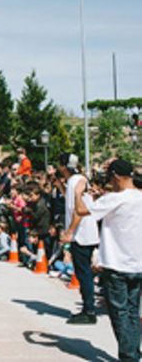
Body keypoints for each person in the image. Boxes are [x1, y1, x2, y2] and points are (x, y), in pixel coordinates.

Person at [72, 159, 142, 361]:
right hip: (137, 262)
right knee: (131, 311)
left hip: (116, 262)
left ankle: (129, 355)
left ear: (117, 176)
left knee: (119, 312)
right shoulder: (138, 197)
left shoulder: (114, 199)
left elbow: (81, 211)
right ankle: (133, 350)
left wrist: (78, 193)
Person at [59, 153, 99, 325]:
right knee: (83, 273)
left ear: (62, 166)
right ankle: (87, 307)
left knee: (84, 274)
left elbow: (78, 210)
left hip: (81, 235)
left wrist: (69, 231)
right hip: (84, 233)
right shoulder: (76, 180)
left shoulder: (76, 182)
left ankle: (89, 310)